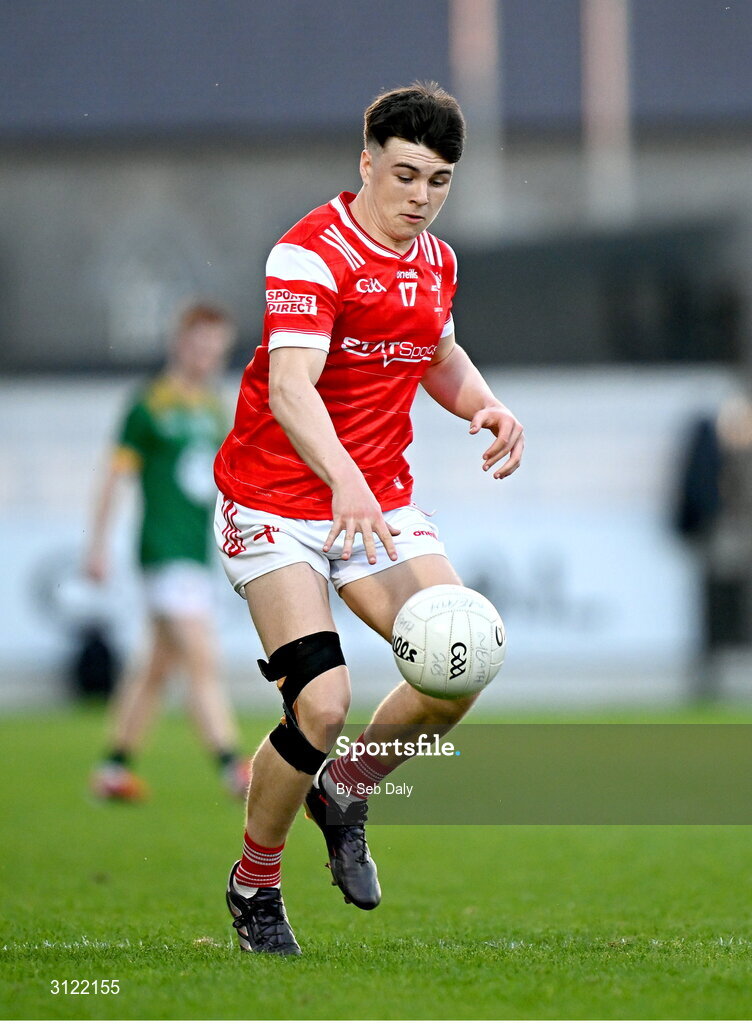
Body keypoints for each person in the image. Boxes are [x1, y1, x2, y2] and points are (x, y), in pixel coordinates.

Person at [214, 82, 524, 955]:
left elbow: (438, 351)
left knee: (458, 665)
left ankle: (345, 789)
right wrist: (345, 480)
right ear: (366, 163)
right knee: (321, 704)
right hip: (278, 502)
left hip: (373, 501)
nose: (420, 195)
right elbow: (289, 386)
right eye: (404, 173)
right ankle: (255, 887)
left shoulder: (436, 261)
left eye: (438, 180)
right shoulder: (308, 253)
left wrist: (484, 404)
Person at [86, 302, 251, 801]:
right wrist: (96, 546)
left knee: (155, 666)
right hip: (163, 550)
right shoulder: (149, 404)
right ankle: (232, 765)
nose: (207, 358)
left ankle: (112, 769)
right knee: (202, 657)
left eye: (216, 350)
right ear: (180, 344)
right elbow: (114, 477)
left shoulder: (211, 408)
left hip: (194, 552)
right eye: (200, 346)